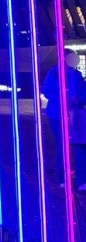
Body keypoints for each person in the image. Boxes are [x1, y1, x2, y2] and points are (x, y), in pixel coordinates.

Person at [42, 49, 86, 188]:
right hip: (58, 115)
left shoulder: (77, 75)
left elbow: (83, 93)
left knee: (79, 146)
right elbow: (47, 91)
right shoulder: (54, 73)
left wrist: (79, 100)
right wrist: (63, 101)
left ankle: (81, 180)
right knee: (63, 145)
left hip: (76, 115)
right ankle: (63, 178)